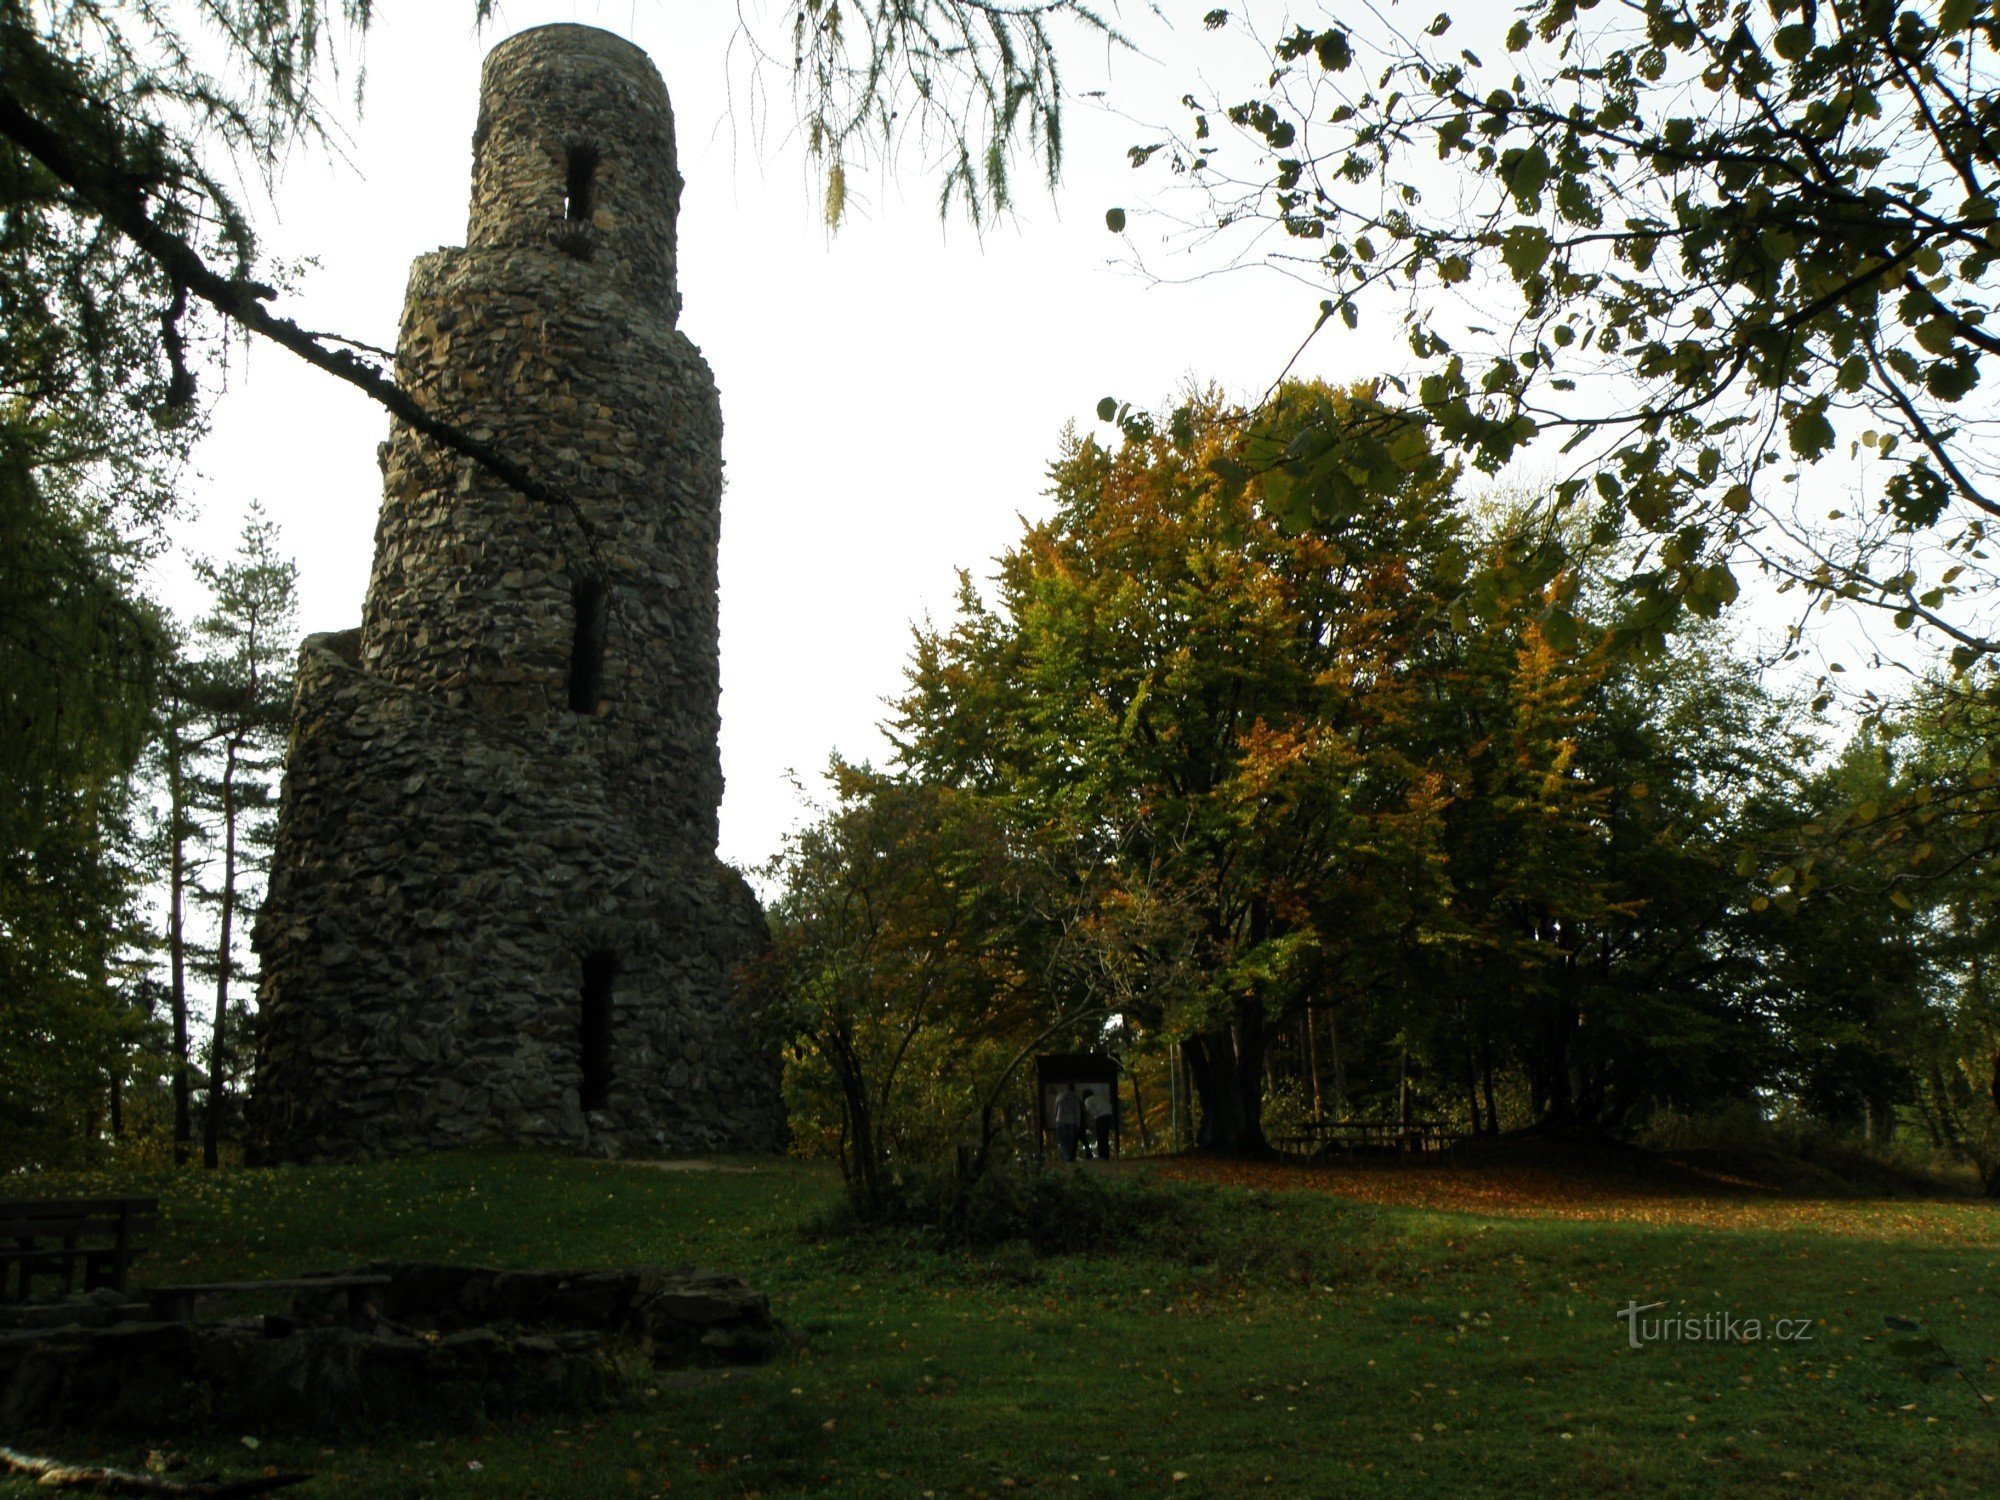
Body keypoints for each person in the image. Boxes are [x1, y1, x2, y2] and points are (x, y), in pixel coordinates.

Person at [1052, 1083, 1082, 1163]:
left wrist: (1054, 1118)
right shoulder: (1076, 1098)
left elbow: (1055, 1108)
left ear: (1066, 1088)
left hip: (1060, 1120)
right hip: (1071, 1121)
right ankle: (1069, 1157)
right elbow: (1077, 1112)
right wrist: (1077, 1123)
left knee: (1062, 1140)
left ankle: (1067, 1157)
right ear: (1074, 1089)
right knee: (1070, 1140)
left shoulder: (1060, 1096)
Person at [1083, 1087, 1113, 1160]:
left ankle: (1102, 1156)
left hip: (1101, 1117)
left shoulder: (1088, 1100)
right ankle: (1106, 1156)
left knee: (1100, 1137)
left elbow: (1090, 1110)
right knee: (1105, 1137)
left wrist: (1093, 1119)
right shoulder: (1098, 1097)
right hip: (1109, 1115)